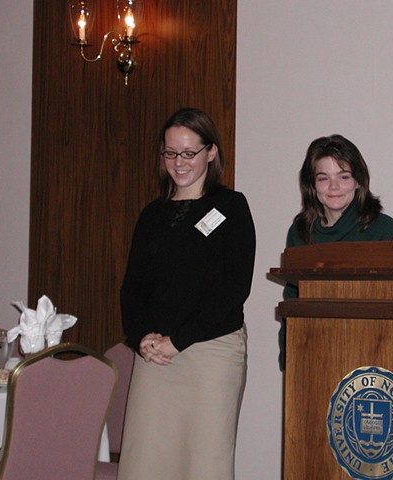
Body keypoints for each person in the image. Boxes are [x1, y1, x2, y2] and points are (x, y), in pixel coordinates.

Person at [118, 108, 256, 479]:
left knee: (204, 463)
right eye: (170, 153)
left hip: (210, 351)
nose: (178, 163)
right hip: (156, 354)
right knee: (144, 462)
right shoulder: (152, 215)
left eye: (188, 153)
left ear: (210, 152)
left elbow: (234, 288)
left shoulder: (231, 207)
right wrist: (141, 335)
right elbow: (134, 287)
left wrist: (180, 340)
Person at [280, 134, 393, 368]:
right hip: (311, 352)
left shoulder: (385, 231)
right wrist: (290, 355)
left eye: (343, 176)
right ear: (311, 185)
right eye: (323, 178)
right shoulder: (300, 232)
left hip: (373, 356)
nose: (334, 187)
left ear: (358, 181)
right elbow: (292, 300)